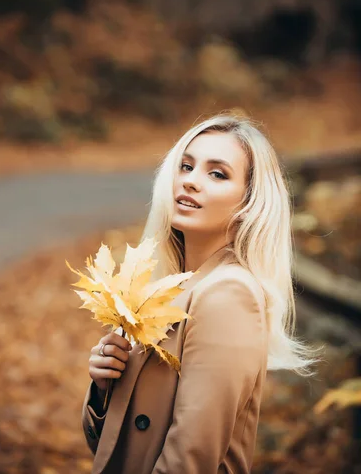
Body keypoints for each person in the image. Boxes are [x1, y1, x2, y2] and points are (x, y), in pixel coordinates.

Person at [82, 113, 319, 474]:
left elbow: (189, 462)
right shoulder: (172, 288)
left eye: (217, 173)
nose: (191, 182)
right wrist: (104, 388)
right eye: (186, 166)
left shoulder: (228, 295)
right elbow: (109, 448)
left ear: (249, 203)